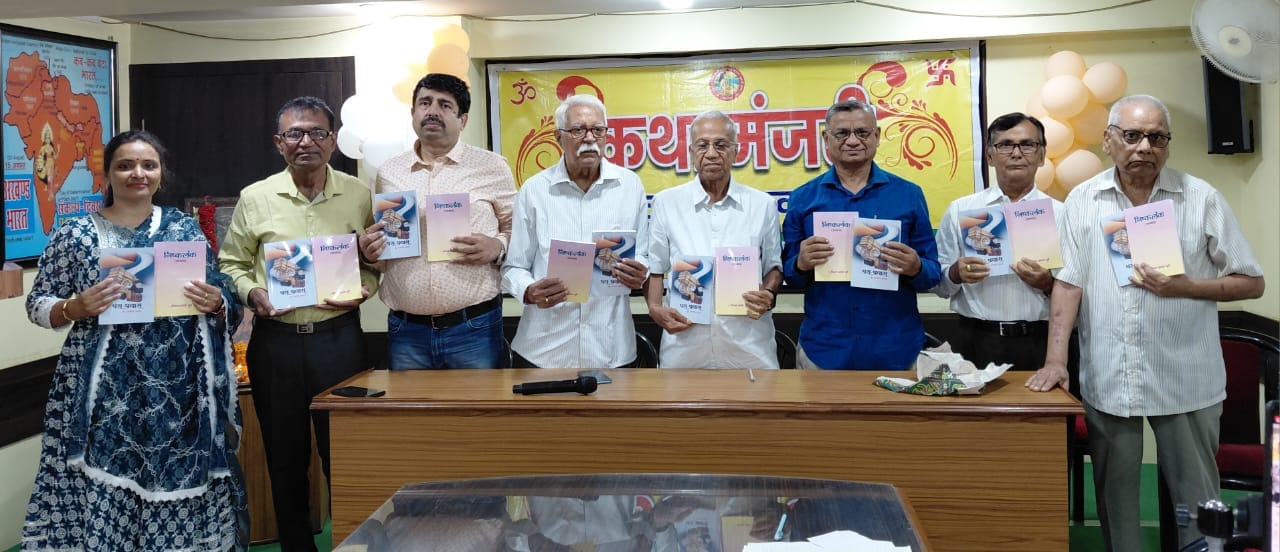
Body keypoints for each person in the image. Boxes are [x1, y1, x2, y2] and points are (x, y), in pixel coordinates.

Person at [1025, 95, 1264, 550]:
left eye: (1157, 137)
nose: (1144, 147)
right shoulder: (1083, 200)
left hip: (1185, 377)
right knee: (1116, 500)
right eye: (1132, 135)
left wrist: (1186, 286)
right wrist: (1056, 360)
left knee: (1198, 502)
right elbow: (1068, 284)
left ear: (1168, 145)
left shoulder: (1200, 197)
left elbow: (1252, 282)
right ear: (1108, 140)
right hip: (1110, 375)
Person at [22, 129, 247, 551]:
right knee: (102, 487)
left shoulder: (183, 229)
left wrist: (217, 300)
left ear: (161, 174)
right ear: (107, 174)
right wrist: (75, 306)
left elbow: (223, 296)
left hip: (177, 394)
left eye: (148, 165)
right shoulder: (76, 234)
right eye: (125, 165)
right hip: (101, 392)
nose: (137, 173)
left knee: (174, 480)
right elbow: (37, 304)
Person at [219, 96, 378, 551]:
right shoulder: (255, 197)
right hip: (277, 345)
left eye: (317, 132)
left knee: (345, 456)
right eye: (294, 133)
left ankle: (353, 545)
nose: (306, 141)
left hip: (339, 341)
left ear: (333, 140)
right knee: (285, 461)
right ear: (278, 142)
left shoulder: (359, 194)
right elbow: (231, 264)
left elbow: (375, 259)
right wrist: (254, 293)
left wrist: (365, 287)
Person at [357, 73, 516, 369]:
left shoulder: (492, 166)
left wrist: (498, 246)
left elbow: (517, 228)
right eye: (425, 103)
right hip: (407, 331)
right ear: (413, 113)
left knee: (480, 402)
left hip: (474, 327)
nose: (432, 111)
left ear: (463, 119)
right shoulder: (389, 172)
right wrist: (370, 254)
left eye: (445, 105)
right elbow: (386, 249)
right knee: (410, 403)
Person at [781, 99, 941, 370]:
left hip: (897, 348)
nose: (853, 141)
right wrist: (800, 263)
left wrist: (916, 267)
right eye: (842, 133)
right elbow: (789, 273)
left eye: (862, 132)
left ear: (876, 136)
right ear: (826, 139)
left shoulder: (908, 195)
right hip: (824, 349)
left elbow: (934, 272)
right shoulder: (802, 198)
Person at [502, 94, 649, 368]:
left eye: (598, 130)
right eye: (578, 130)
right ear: (558, 137)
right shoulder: (534, 191)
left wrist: (641, 270)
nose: (589, 138)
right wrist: (528, 291)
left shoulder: (630, 186)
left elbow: (643, 254)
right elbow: (513, 267)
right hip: (545, 351)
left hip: (611, 349)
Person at [646, 110, 781, 368]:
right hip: (684, 349)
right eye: (702, 145)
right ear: (691, 152)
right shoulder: (666, 203)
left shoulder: (762, 204)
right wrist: (654, 307)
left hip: (749, 349)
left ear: (736, 151)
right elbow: (655, 268)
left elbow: (774, 266)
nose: (711, 153)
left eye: (721, 145)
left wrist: (767, 292)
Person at [932, 113, 1062, 369]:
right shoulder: (961, 210)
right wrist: (955, 273)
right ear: (990, 156)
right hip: (975, 340)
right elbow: (939, 286)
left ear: (1042, 155)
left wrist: (1048, 284)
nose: (1016, 153)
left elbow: (1079, 288)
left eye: (1027, 144)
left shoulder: (1063, 214)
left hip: (1041, 341)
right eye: (1005, 145)